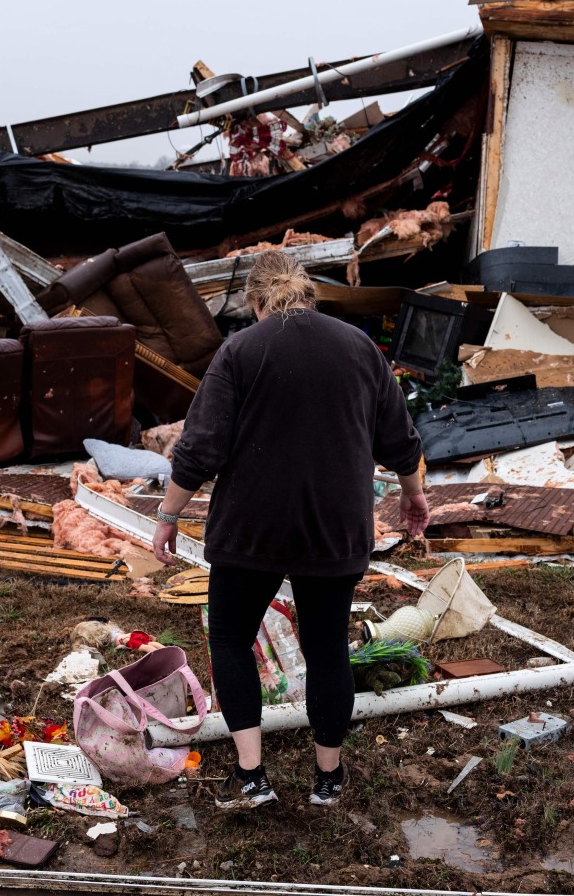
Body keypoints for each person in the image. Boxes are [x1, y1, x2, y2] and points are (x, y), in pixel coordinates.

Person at [152, 251, 429, 810]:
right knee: (326, 647)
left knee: (231, 638)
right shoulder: (359, 349)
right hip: (335, 525)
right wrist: (414, 495)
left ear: (256, 302)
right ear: (308, 294)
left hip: (252, 527)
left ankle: (252, 776)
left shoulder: (240, 350)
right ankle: (328, 778)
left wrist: (167, 515)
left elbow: (201, 447)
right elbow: (399, 437)